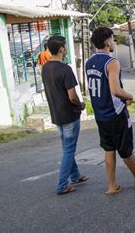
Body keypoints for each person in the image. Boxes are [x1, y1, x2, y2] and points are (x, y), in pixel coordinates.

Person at [86, 27, 135, 195]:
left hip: (100, 113)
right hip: (115, 112)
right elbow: (115, 90)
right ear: (107, 41)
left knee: (109, 148)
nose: (114, 42)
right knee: (125, 148)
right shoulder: (111, 62)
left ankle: (112, 185)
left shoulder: (89, 62)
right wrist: (129, 95)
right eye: (113, 39)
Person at [41, 36, 89, 195]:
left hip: (57, 114)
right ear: (61, 49)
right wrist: (80, 105)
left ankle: (75, 176)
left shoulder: (45, 68)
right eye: (65, 46)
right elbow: (72, 96)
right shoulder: (65, 69)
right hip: (69, 114)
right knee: (69, 150)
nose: (66, 48)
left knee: (67, 147)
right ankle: (62, 185)